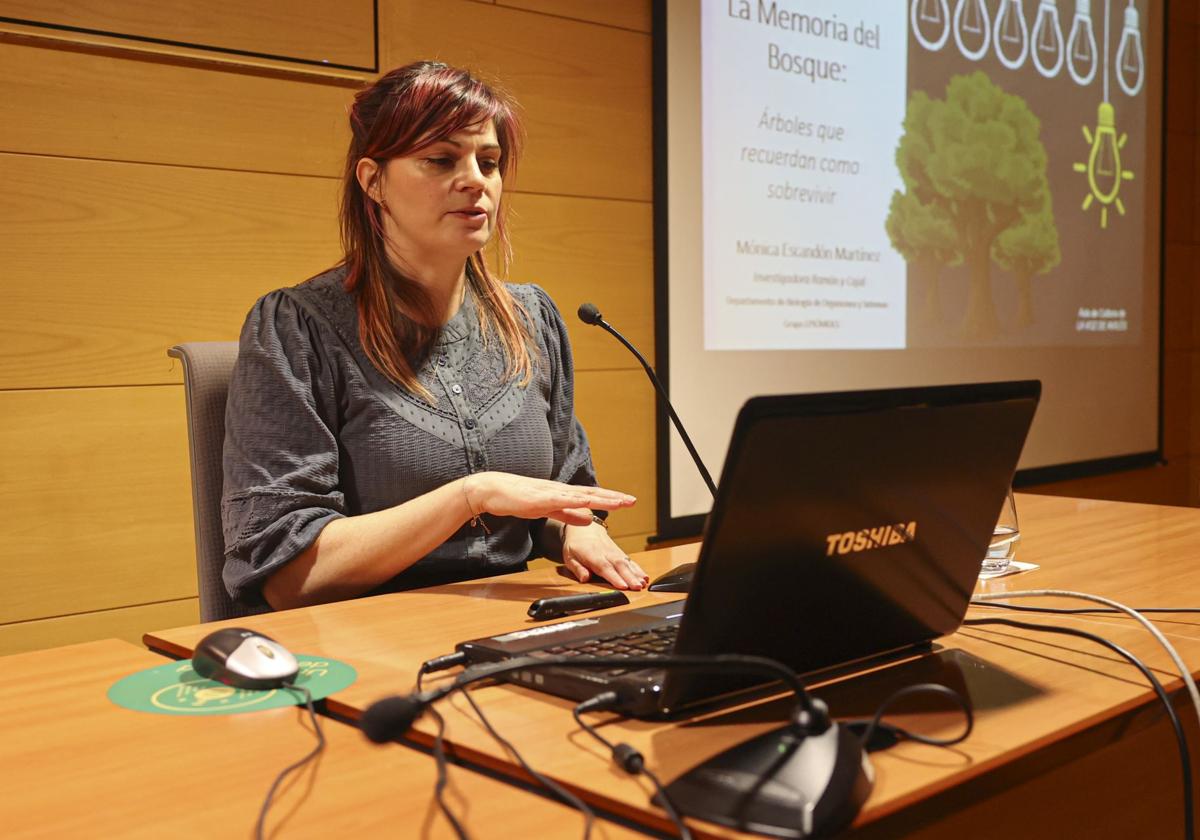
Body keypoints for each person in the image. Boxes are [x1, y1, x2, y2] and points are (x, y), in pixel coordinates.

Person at [220, 61, 647, 611]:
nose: (477, 180)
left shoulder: (532, 317)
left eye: (488, 162)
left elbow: (561, 490)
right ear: (373, 181)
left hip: (513, 619)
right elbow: (287, 574)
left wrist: (577, 530)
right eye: (441, 160)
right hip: (366, 640)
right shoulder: (297, 327)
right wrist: (470, 495)